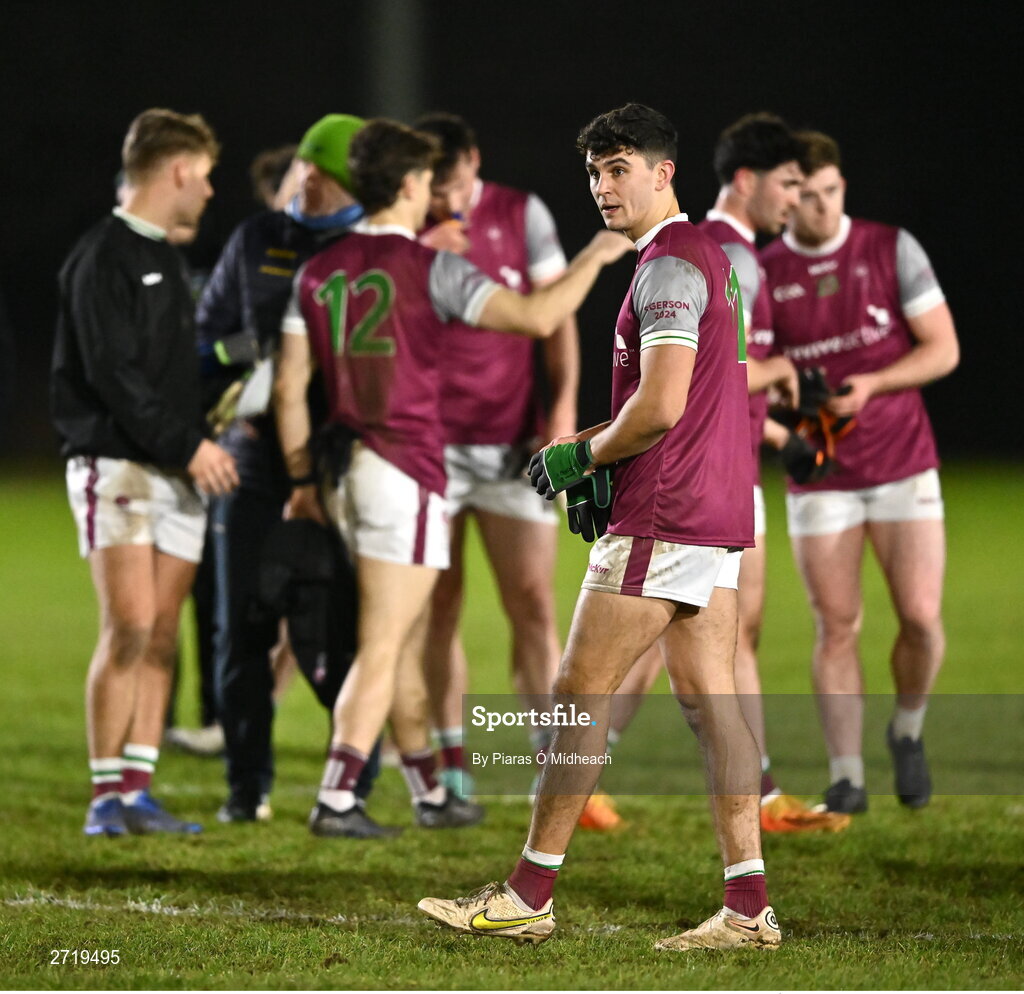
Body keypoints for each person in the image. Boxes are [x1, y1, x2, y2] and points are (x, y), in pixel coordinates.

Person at [419, 103, 781, 951]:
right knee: (710, 702)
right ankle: (747, 905)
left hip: (663, 513)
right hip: (715, 512)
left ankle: (528, 893)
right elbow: (681, 404)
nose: (603, 187)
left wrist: (586, 460)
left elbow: (658, 408)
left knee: (580, 692)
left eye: (619, 169)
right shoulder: (710, 258)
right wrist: (590, 442)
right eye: (593, 172)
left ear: (664, 173)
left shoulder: (664, 268)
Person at [273, 118, 630, 839]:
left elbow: (287, 391)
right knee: (384, 642)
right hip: (405, 469)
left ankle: (431, 790)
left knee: (398, 636)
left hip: (347, 471)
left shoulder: (316, 268)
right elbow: (534, 316)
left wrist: (303, 479)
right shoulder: (429, 267)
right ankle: (338, 795)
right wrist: (594, 256)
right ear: (410, 186)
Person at [51, 108, 238, 837]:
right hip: (119, 463)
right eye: (208, 174)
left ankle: (137, 789)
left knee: (162, 633)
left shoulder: (170, 257)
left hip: (179, 470)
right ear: (179, 169)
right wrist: (188, 444)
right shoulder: (103, 256)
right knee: (127, 624)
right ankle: (104, 798)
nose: (212, 190)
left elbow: (169, 375)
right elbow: (113, 375)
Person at [760, 130, 959, 814]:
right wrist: (786, 427)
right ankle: (846, 776)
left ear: (844, 186)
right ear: (785, 197)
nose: (818, 208)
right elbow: (744, 379)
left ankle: (907, 729)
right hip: (824, 473)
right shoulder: (763, 272)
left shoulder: (889, 248)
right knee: (836, 624)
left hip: (903, 462)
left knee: (922, 619)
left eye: (830, 193)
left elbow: (943, 349)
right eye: (804, 196)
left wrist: (873, 384)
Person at [196, 114, 369, 823]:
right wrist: (256, 353)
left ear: (340, 178)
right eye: (300, 162)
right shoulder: (257, 238)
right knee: (240, 628)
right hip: (255, 458)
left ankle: (349, 786)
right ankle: (247, 789)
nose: (303, 176)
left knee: (346, 630)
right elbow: (207, 344)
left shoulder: (375, 248)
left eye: (315, 166)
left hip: (346, 460)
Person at [411, 112, 584, 809]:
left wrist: (564, 411)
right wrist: (423, 246)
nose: (447, 202)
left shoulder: (521, 213)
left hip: (515, 443)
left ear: (473, 162)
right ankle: (453, 763)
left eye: (452, 185)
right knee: (439, 606)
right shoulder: (409, 225)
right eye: (433, 188)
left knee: (535, 604)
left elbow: (555, 316)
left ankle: (552, 767)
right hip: (431, 444)